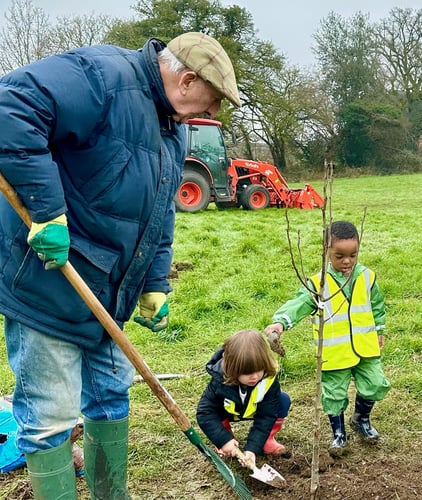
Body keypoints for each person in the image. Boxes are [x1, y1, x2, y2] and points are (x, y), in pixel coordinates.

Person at [0, 32, 240, 497]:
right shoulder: (101, 77)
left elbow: (160, 213)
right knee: (51, 413)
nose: (207, 116)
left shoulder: (169, 127)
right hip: (49, 281)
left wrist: (154, 283)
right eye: (208, 105)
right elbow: (10, 108)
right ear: (187, 79)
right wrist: (47, 211)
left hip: (109, 295)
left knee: (111, 397)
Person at [264, 220, 390, 456]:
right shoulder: (318, 284)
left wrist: (380, 330)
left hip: (366, 347)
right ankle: (339, 434)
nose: (347, 261)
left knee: (374, 384)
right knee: (334, 395)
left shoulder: (367, 277)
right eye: (339, 255)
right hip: (334, 353)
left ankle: (361, 419)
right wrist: (280, 322)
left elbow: (377, 305)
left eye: (353, 255)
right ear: (326, 252)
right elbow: (300, 303)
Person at [197, 329, 290, 468]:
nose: (254, 377)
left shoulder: (268, 382)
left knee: (282, 400)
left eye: (259, 370)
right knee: (213, 410)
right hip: (228, 412)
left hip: (254, 409)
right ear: (232, 369)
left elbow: (266, 416)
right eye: (246, 373)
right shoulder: (219, 381)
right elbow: (205, 413)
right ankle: (228, 440)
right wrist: (223, 440)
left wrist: (252, 449)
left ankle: (266, 440)